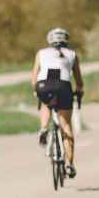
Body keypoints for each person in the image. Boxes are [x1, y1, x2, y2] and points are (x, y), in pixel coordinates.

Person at [33, 27, 84, 179]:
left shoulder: (41, 53)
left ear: (50, 40)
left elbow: (34, 77)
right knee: (66, 125)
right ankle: (70, 164)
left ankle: (43, 128)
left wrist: (35, 91)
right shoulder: (72, 54)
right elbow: (79, 82)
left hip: (44, 85)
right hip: (63, 86)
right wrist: (79, 92)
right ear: (65, 40)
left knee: (45, 102)